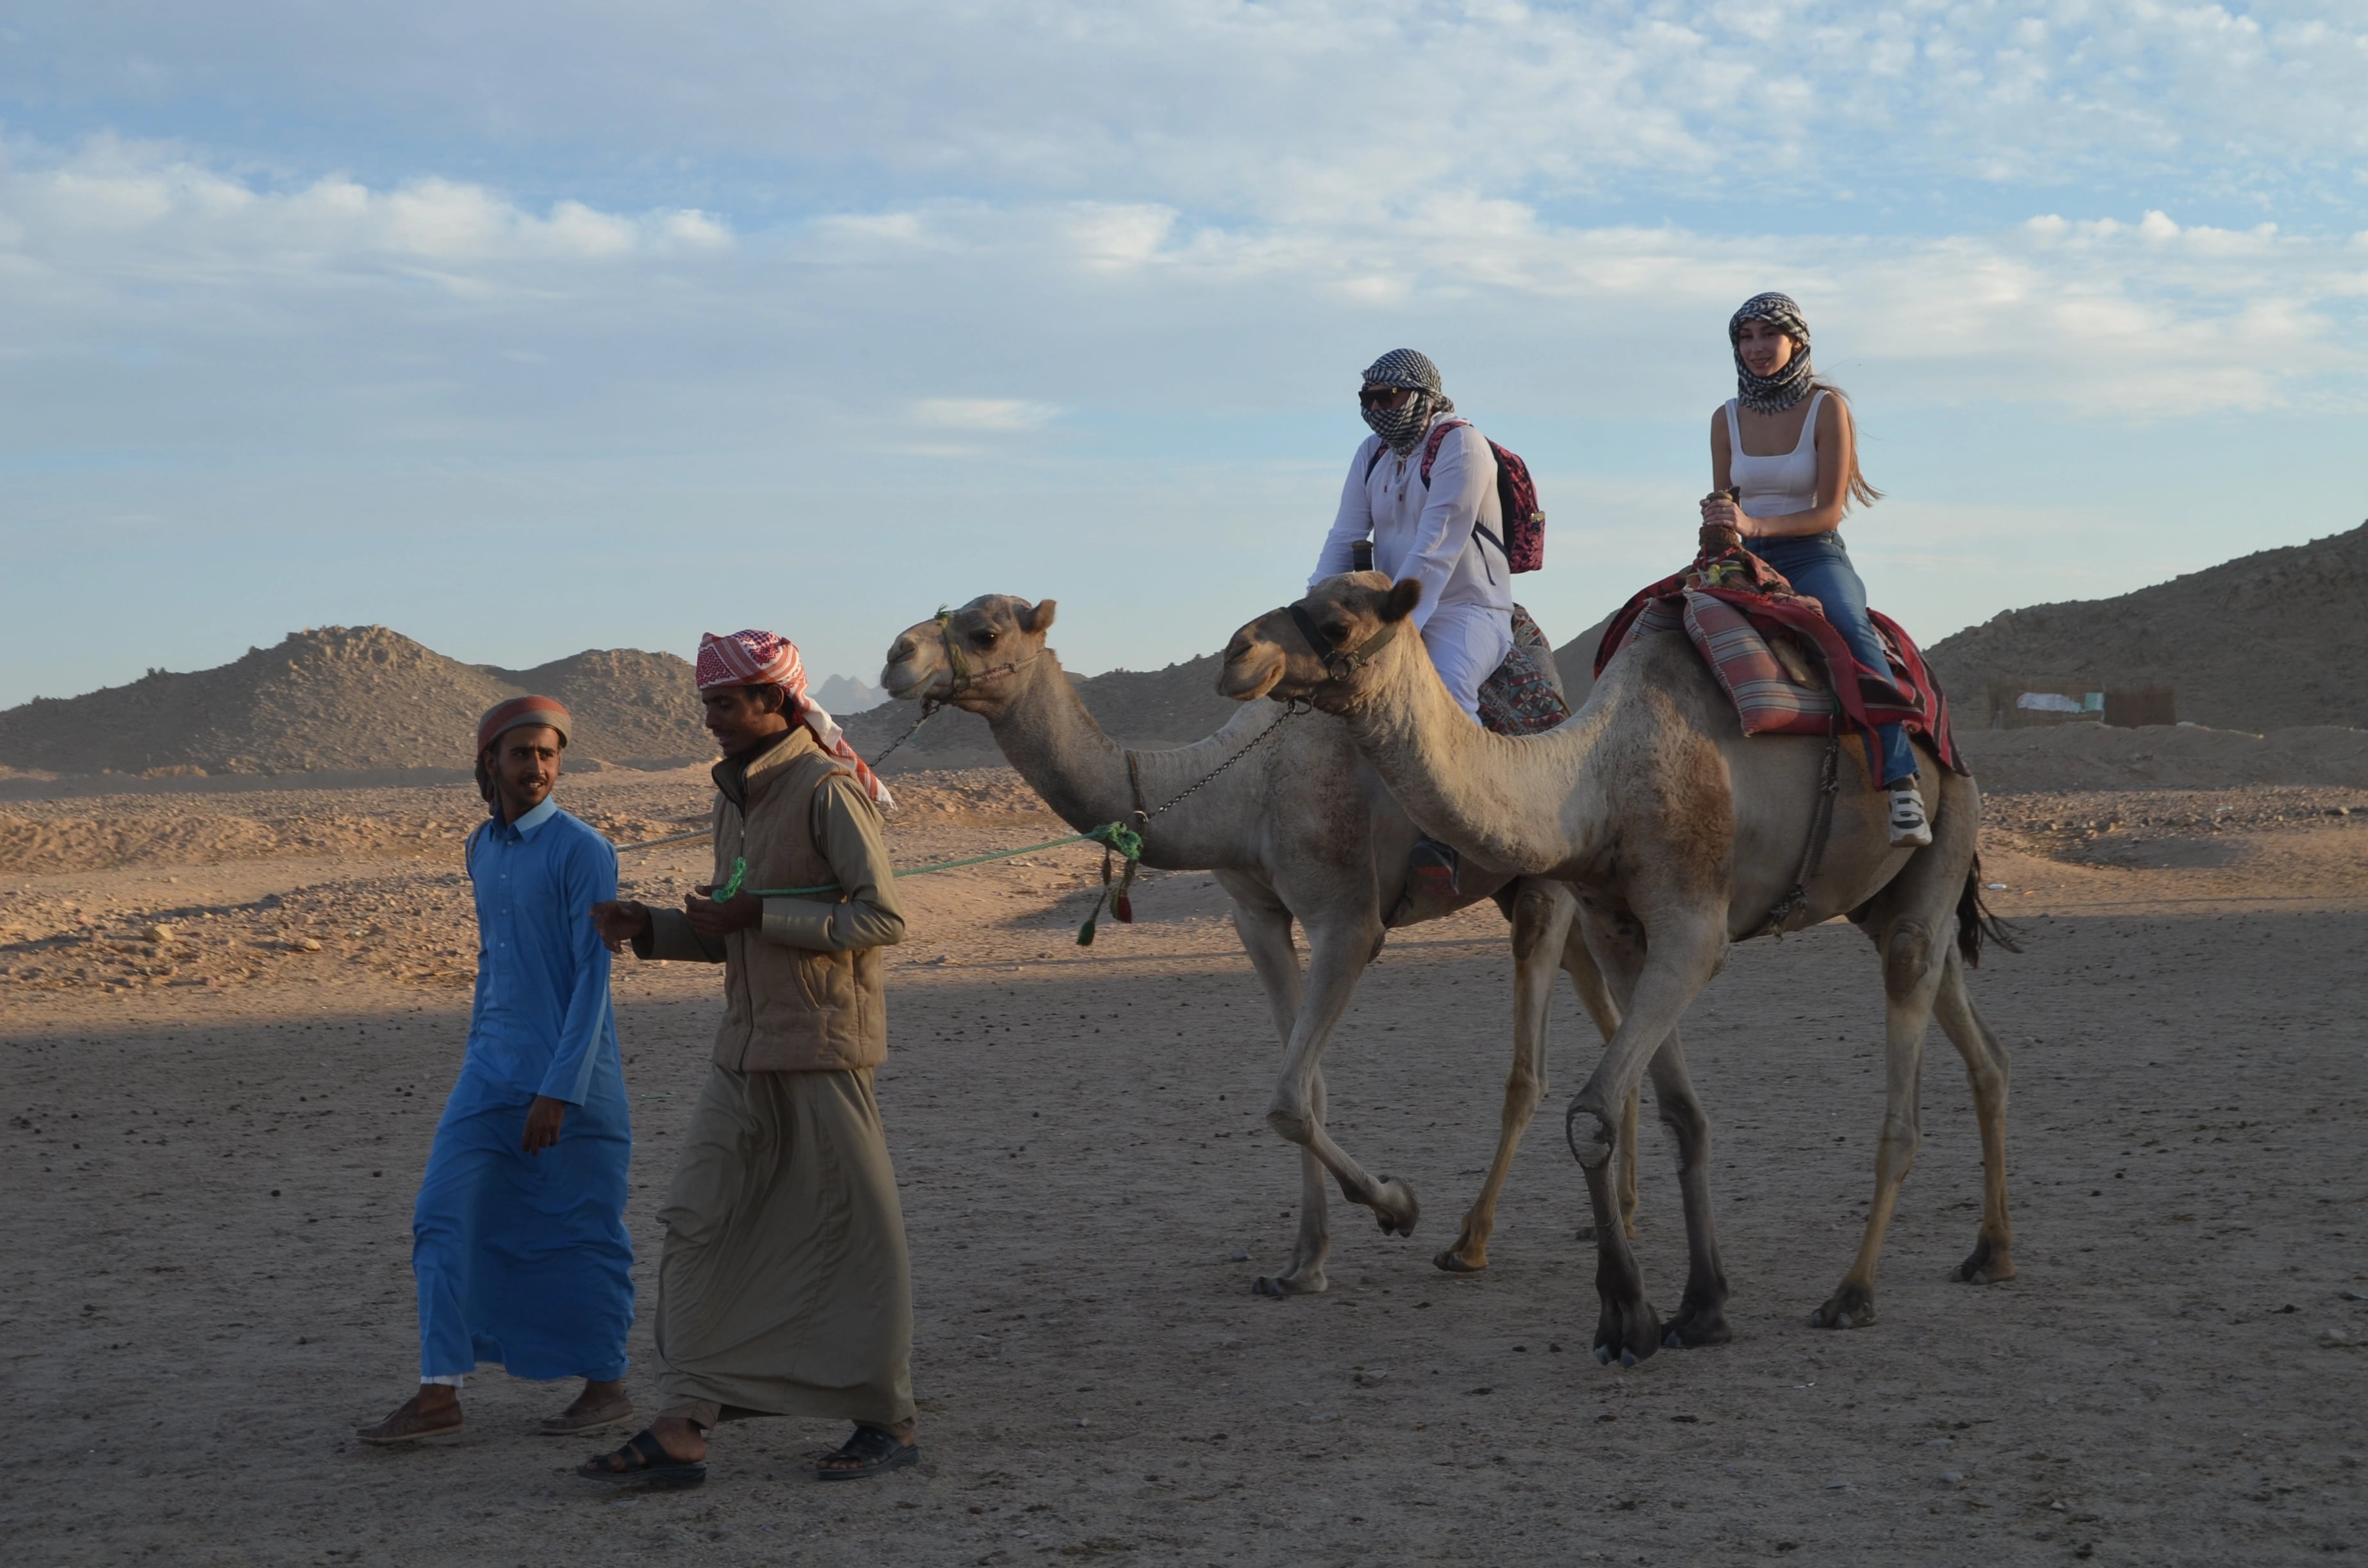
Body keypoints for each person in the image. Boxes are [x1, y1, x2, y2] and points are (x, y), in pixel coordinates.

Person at [581, 630, 916, 1490]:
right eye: (708, 707)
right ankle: (685, 1420)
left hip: (822, 1050)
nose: (714, 723)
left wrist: (764, 918)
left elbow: (881, 919)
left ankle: (887, 1419)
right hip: (743, 1051)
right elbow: (733, 923)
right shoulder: (733, 798)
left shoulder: (827, 790)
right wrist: (651, 927)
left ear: (777, 703)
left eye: (726, 706)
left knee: (853, 1235)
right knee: (699, 1221)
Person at [356, 697, 635, 1445]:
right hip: (489, 1069)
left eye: (549, 755)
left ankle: (606, 1385)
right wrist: (485, 1053)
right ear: (490, 763)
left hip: (571, 1077)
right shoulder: (480, 847)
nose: (537, 768)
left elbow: (590, 981)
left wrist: (557, 1088)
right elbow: (494, 963)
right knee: (443, 1215)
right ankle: (439, 1392)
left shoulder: (585, 850)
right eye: (522, 755)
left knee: (580, 1227)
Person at [1700, 293, 1932, 848]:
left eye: (1767, 335)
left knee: (1851, 631)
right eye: (1745, 337)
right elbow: (1724, 498)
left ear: (1797, 341)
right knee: (1661, 624)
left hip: (1814, 553)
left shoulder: (1827, 410)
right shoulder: (1724, 418)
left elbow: (1829, 509)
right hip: (1742, 558)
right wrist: (1721, 525)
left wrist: (1755, 526)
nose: (1756, 348)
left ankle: (1902, 783)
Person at [1313, 348, 1515, 896]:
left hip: (1466, 609)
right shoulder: (1372, 453)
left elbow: (1437, 548)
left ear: (1422, 397)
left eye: (1389, 396)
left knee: (1445, 696)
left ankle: (1455, 833)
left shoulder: (1460, 446)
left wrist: (1394, 633)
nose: (1376, 408)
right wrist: (1312, 613)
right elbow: (1345, 537)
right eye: (1367, 398)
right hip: (1385, 613)